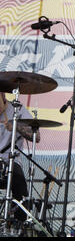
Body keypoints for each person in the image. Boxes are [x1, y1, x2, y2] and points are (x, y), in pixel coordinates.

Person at [0, 92, 40, 220]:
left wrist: (17, 126)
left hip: (10, 160)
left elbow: (36, 136)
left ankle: (20, 223)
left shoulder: (18, 110)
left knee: (19, 183)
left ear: (3, 94)